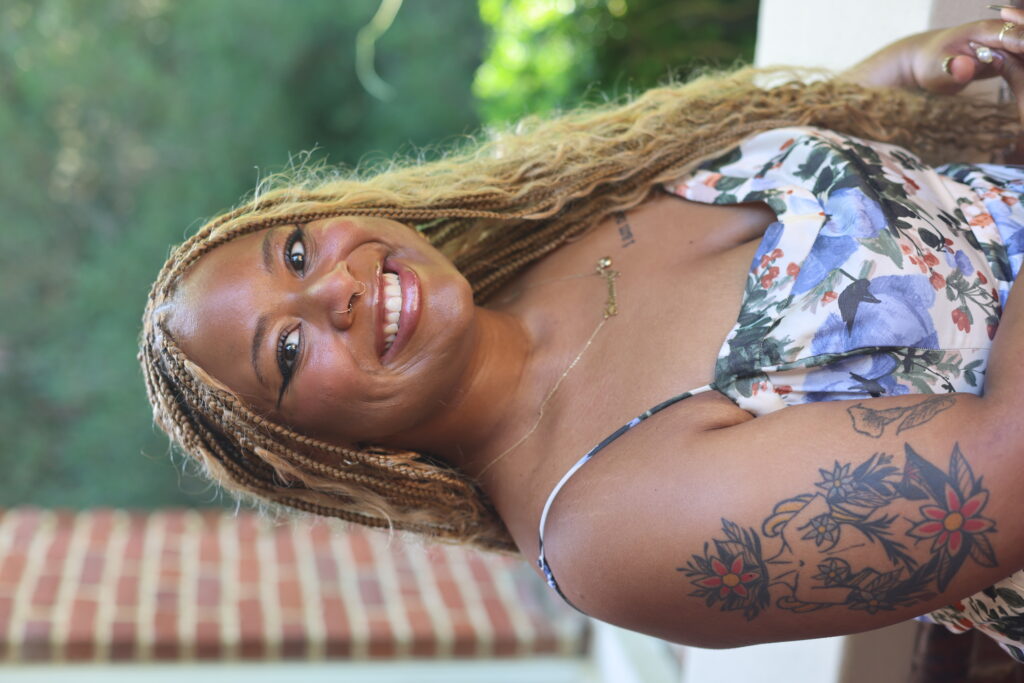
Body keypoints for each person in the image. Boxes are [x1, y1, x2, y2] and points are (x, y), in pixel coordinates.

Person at [141, 9, 1024, 659]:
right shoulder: (601, 528)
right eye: (287, 352)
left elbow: (792, 171)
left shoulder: (554, 218)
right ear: (320, 447)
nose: (334, 287)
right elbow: (1003, 467)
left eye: (295, 250)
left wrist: (905, 70)